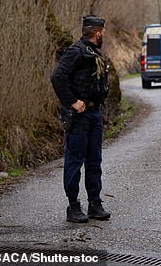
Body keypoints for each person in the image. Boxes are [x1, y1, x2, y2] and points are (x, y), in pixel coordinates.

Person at [51, 14, 111, 223]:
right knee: (75, 161)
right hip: (79, 116)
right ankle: (73, 206)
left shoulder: (93, 52)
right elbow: (57, 76)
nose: (104, 34)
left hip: (94, 114)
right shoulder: (75, 52)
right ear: (97, 33)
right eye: (103, 32)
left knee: (94, 161)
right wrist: (72, 102)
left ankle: (95, 203)